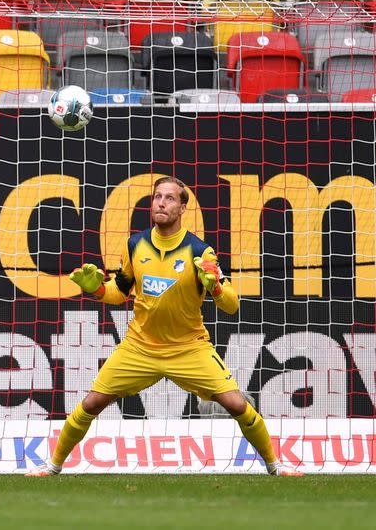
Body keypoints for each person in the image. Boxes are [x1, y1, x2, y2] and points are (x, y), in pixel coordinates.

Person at [26, 176, 303, 477]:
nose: (161, 202)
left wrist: (217, 289)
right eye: (157, 196)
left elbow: (233, 305)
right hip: (140, 347)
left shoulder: (200, 251)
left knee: (237, 405)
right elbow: (119, 291)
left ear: (183, 207)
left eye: (170, 198)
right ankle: (52, 467)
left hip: (189, 348)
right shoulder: (135, 245)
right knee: (92, 403)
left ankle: (276, 467)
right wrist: (97, 290)